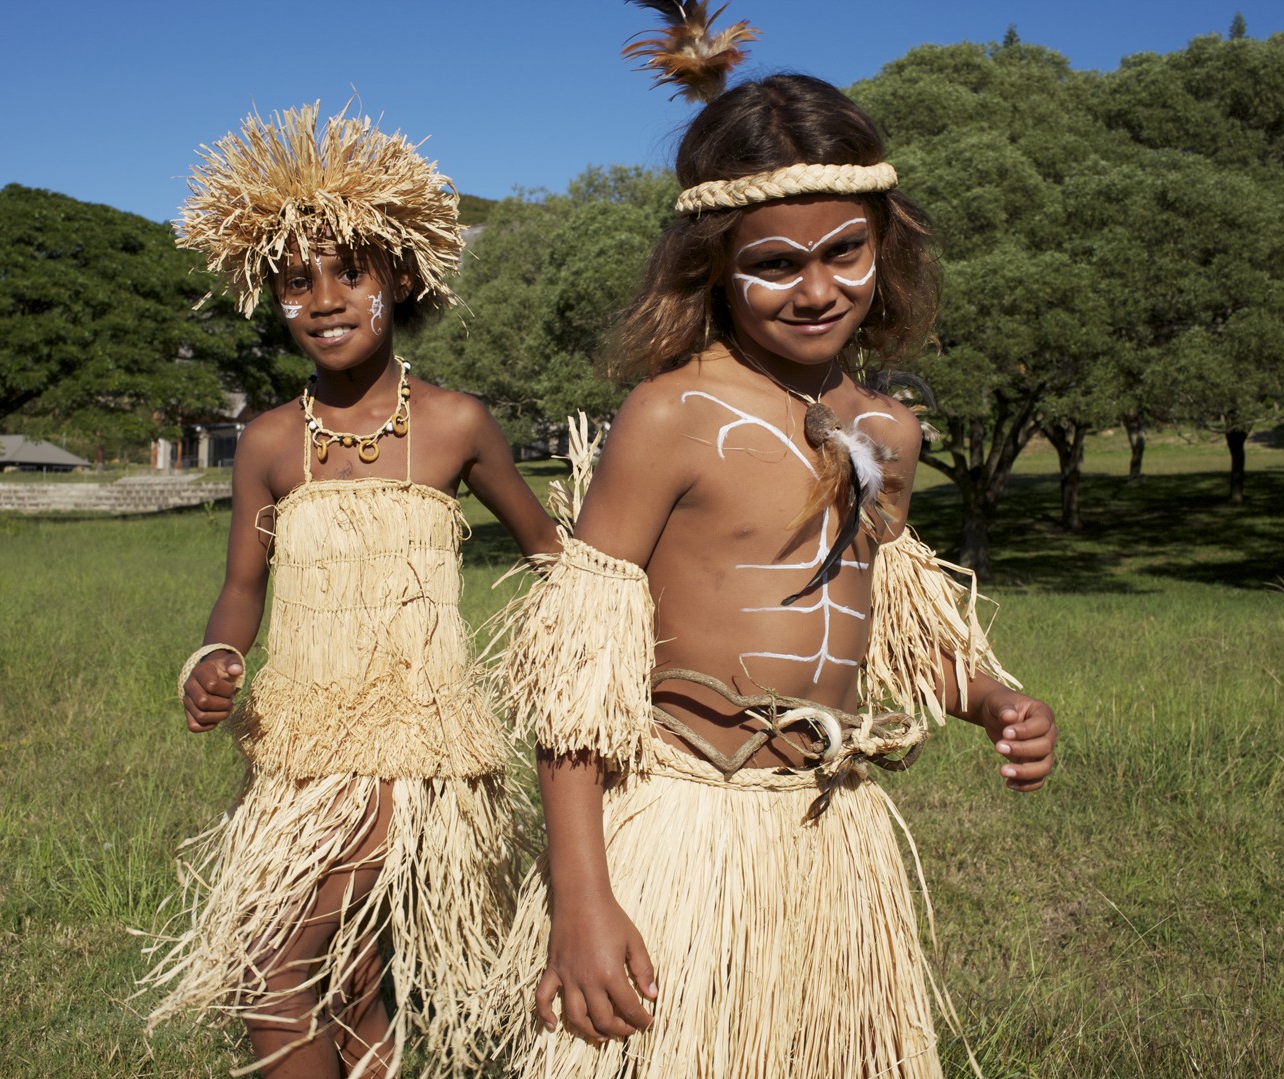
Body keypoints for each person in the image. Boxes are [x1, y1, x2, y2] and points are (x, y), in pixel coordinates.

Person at [487, 11, 1058, 1078]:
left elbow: (883, 614)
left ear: (883, 243)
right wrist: (582, 896)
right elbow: (578, 676)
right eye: (775, 263)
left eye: (844, 251)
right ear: (711, 266)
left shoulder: (886, 428)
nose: (815, 288)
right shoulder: (672, 415)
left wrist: (987, 697)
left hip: (826, 830)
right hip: (683, 830)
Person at [137, 102, 559, 1079]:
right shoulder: (273, 442)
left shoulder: (455, 424)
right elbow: (242, 587)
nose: (323, 297)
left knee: (266, 968)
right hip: (296, 748)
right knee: (346, 980)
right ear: (270, 294)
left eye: (348, 271)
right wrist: (215, 657)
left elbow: (547, 550)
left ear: (400, 277)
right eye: (297, 278)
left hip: (411, 750)